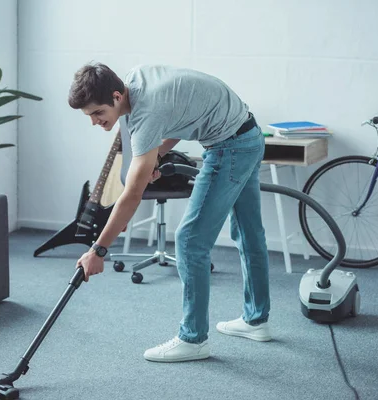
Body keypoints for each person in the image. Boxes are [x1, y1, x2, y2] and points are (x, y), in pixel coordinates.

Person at [68, 63, 271, 363]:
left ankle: (193, 339)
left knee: (189, 240)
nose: (95, 122)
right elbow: (177, 114)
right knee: (248, 231)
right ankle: (257, 320)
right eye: (89, 116)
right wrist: (158, 154)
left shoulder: (146, 113)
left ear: (115, 96)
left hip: (229, 147)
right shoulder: (136, 81)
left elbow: (132, 194)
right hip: (249, 134)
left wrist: (98, 250)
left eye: (98, 113)